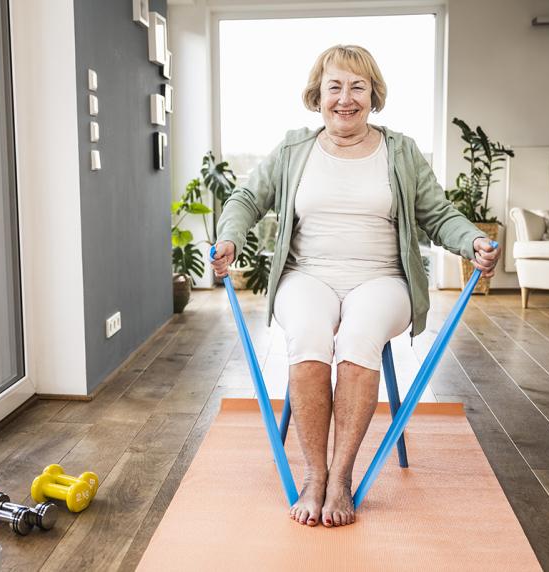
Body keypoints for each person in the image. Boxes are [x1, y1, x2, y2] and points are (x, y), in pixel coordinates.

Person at [212, 45, 499, 528]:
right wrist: (229, 237)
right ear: (316, 95)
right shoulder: (292, 149)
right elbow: (245, 197)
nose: (345, 99)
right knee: (307, 336)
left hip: (382, 278)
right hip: (308, 275)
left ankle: (341, 476)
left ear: (373, 95)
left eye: (357, 87)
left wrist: (472, 240)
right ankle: (314, 474)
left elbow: (438, 214)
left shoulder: (401, 151)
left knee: (358, 339)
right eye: (335, 87)